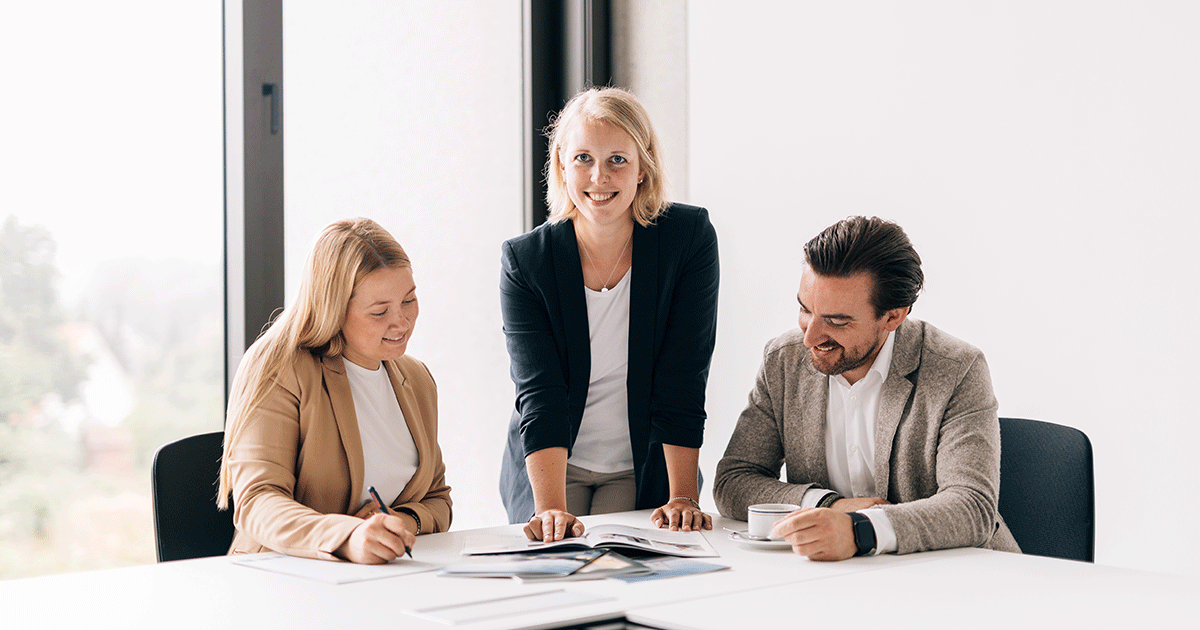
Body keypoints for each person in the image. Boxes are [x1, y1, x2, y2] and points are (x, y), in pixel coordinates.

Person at [714, 216, 1019, 560]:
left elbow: (972, 507)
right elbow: (733, 481)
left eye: (836, 321)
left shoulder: (956, 368)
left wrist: (860, 529)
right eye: (805, 309)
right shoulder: (783, 361)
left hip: (955, 574)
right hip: (832, 574)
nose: (810, 337)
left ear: (893, 317)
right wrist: (828, 505)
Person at [499, 86, 719, 541]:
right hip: (553, 465)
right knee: (559, 557)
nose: (599, 177)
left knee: (622, 561)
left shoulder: (687, 239)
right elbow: (540, 393)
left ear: (643, 168)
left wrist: (683, 497)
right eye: (583, 158)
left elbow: (683, 374)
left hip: (640, 463)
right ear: (562, 165)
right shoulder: (526, 261)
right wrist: (550, 509)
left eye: (617, 159)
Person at [218, 218, 451, 564]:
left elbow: (438, 499)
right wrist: (347, 536)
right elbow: (258, 501)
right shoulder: (280, 366)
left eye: (408, 300)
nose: (401, 322)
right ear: (334, 309)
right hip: (283, 574)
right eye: (379, 311)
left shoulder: (416, 379)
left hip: (380, 575)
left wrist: (400, 523)